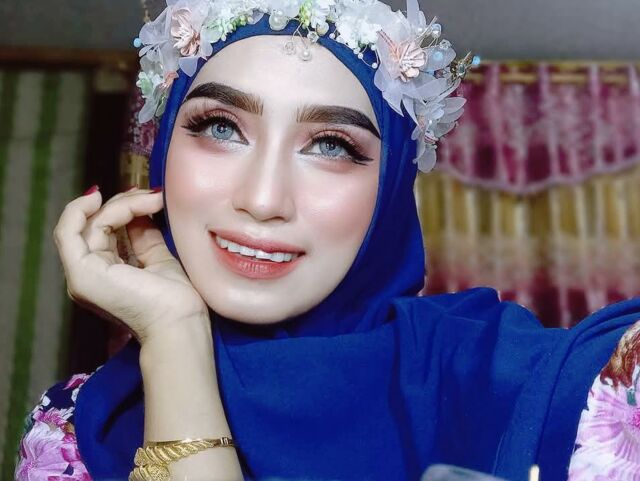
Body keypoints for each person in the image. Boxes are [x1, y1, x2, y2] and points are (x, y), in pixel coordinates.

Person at [14, 1, 640, 480]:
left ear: (390, 187)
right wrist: (173, 338)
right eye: (221, 128)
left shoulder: (524, 379)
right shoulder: (79, 428)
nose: (263, 199)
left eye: (331, 146)